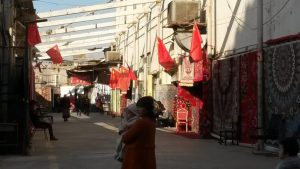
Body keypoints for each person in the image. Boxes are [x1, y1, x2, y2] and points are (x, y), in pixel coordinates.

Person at [121, 96, 157, 169]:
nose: (138, 110)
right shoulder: (152, 121)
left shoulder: (141, 122)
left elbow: (126, 138)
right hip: (148, 157)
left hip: (136, 158)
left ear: (146, 109)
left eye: (140, 107)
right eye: (137, 107)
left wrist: (124, 131)